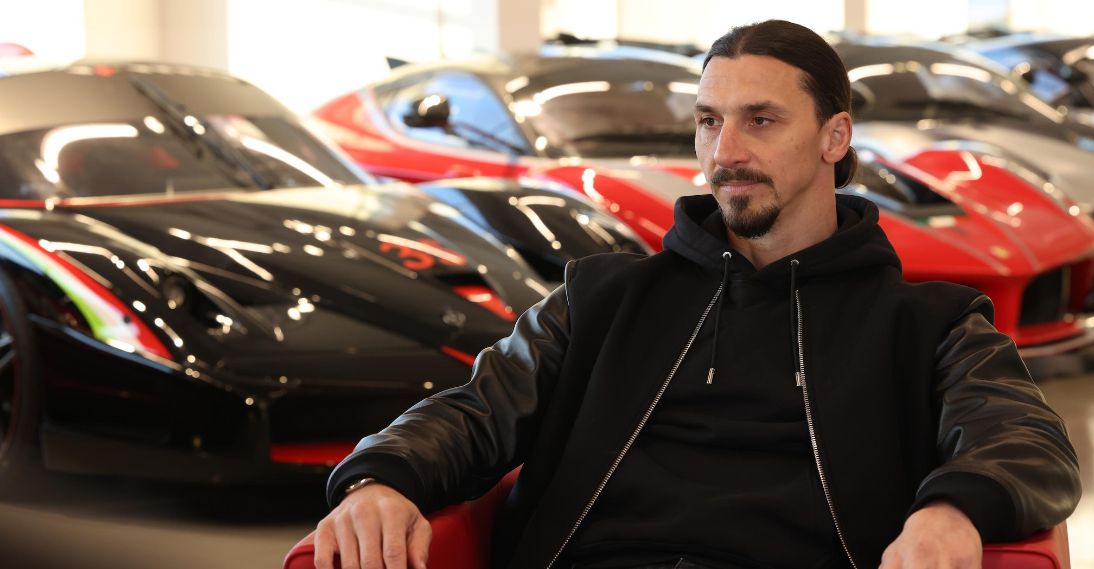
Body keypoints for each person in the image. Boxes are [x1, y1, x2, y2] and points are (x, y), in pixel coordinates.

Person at [313, 19, 1080, 569]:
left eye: (761, 121)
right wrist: (382, 476)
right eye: (709, 122)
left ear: (835, 137)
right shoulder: (601, 297)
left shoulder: (928, 324)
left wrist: (953, 508)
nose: (725, 152)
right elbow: (473, 411)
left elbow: (1027, 441)